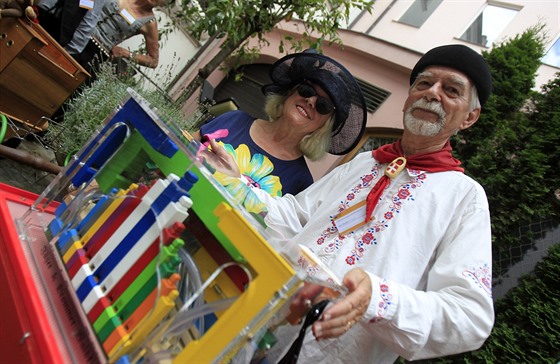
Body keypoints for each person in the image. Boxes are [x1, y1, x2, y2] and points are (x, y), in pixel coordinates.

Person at [200, 44, 495, 362]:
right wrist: (236, 181)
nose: (433, 93)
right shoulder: (364, 163)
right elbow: (294, 217)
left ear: (470, 117)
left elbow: (470, 317)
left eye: (451, 90)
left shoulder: (465, 198)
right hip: (266, 325)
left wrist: (379, 298)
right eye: (424, 83)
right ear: (409, 96)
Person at [192, 50, 367, 213]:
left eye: (324, 105)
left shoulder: (301, 182)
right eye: (307, 89)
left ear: (324, 126)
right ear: (290, 93)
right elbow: (182, 143)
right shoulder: (235, 119)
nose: (311, 101)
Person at [39, 0, 163, 76]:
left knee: (62, 83)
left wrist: (125, 53)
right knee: (41, 60)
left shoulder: (150, 23)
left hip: (94, 55)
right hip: (75, 33)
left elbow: (153, 61)